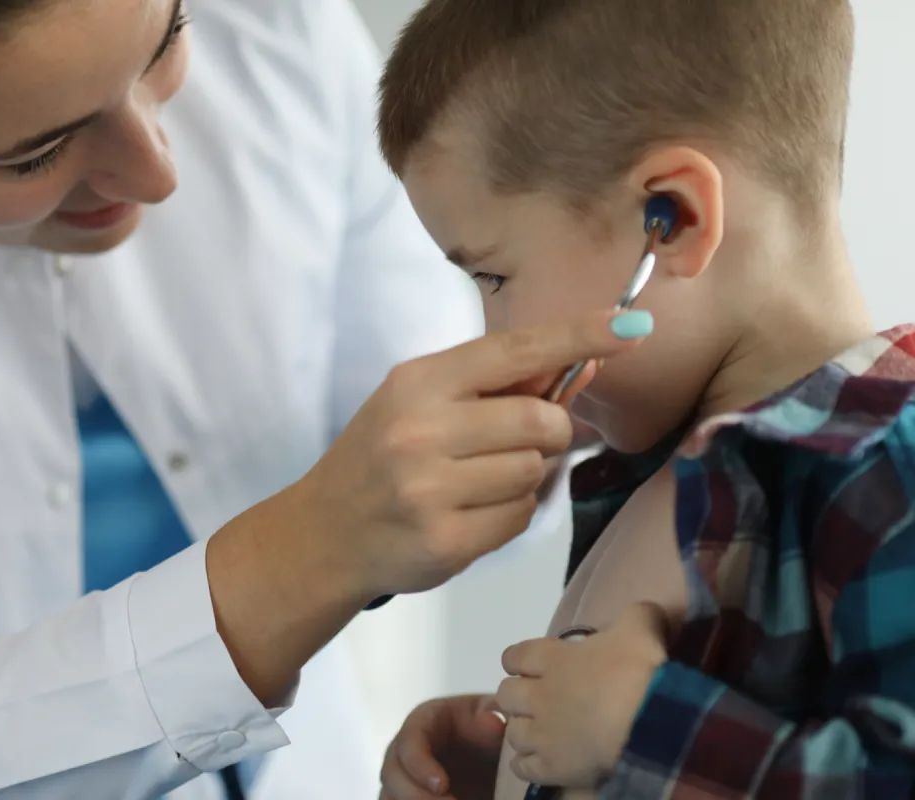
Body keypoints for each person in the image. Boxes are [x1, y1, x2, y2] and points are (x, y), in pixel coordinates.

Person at [0, 0, 653, 797]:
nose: (159, 171)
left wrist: (522, 452)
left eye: (165, 41)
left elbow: (447, 442)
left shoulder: (280, 26)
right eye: (35, 152)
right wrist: (315, 549)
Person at [375, 0, 915, 798]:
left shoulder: (884, 470)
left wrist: (647, 729)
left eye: (493, 276)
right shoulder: (662, 476)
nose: (488, 337)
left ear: (674, 221)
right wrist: (523, 761)